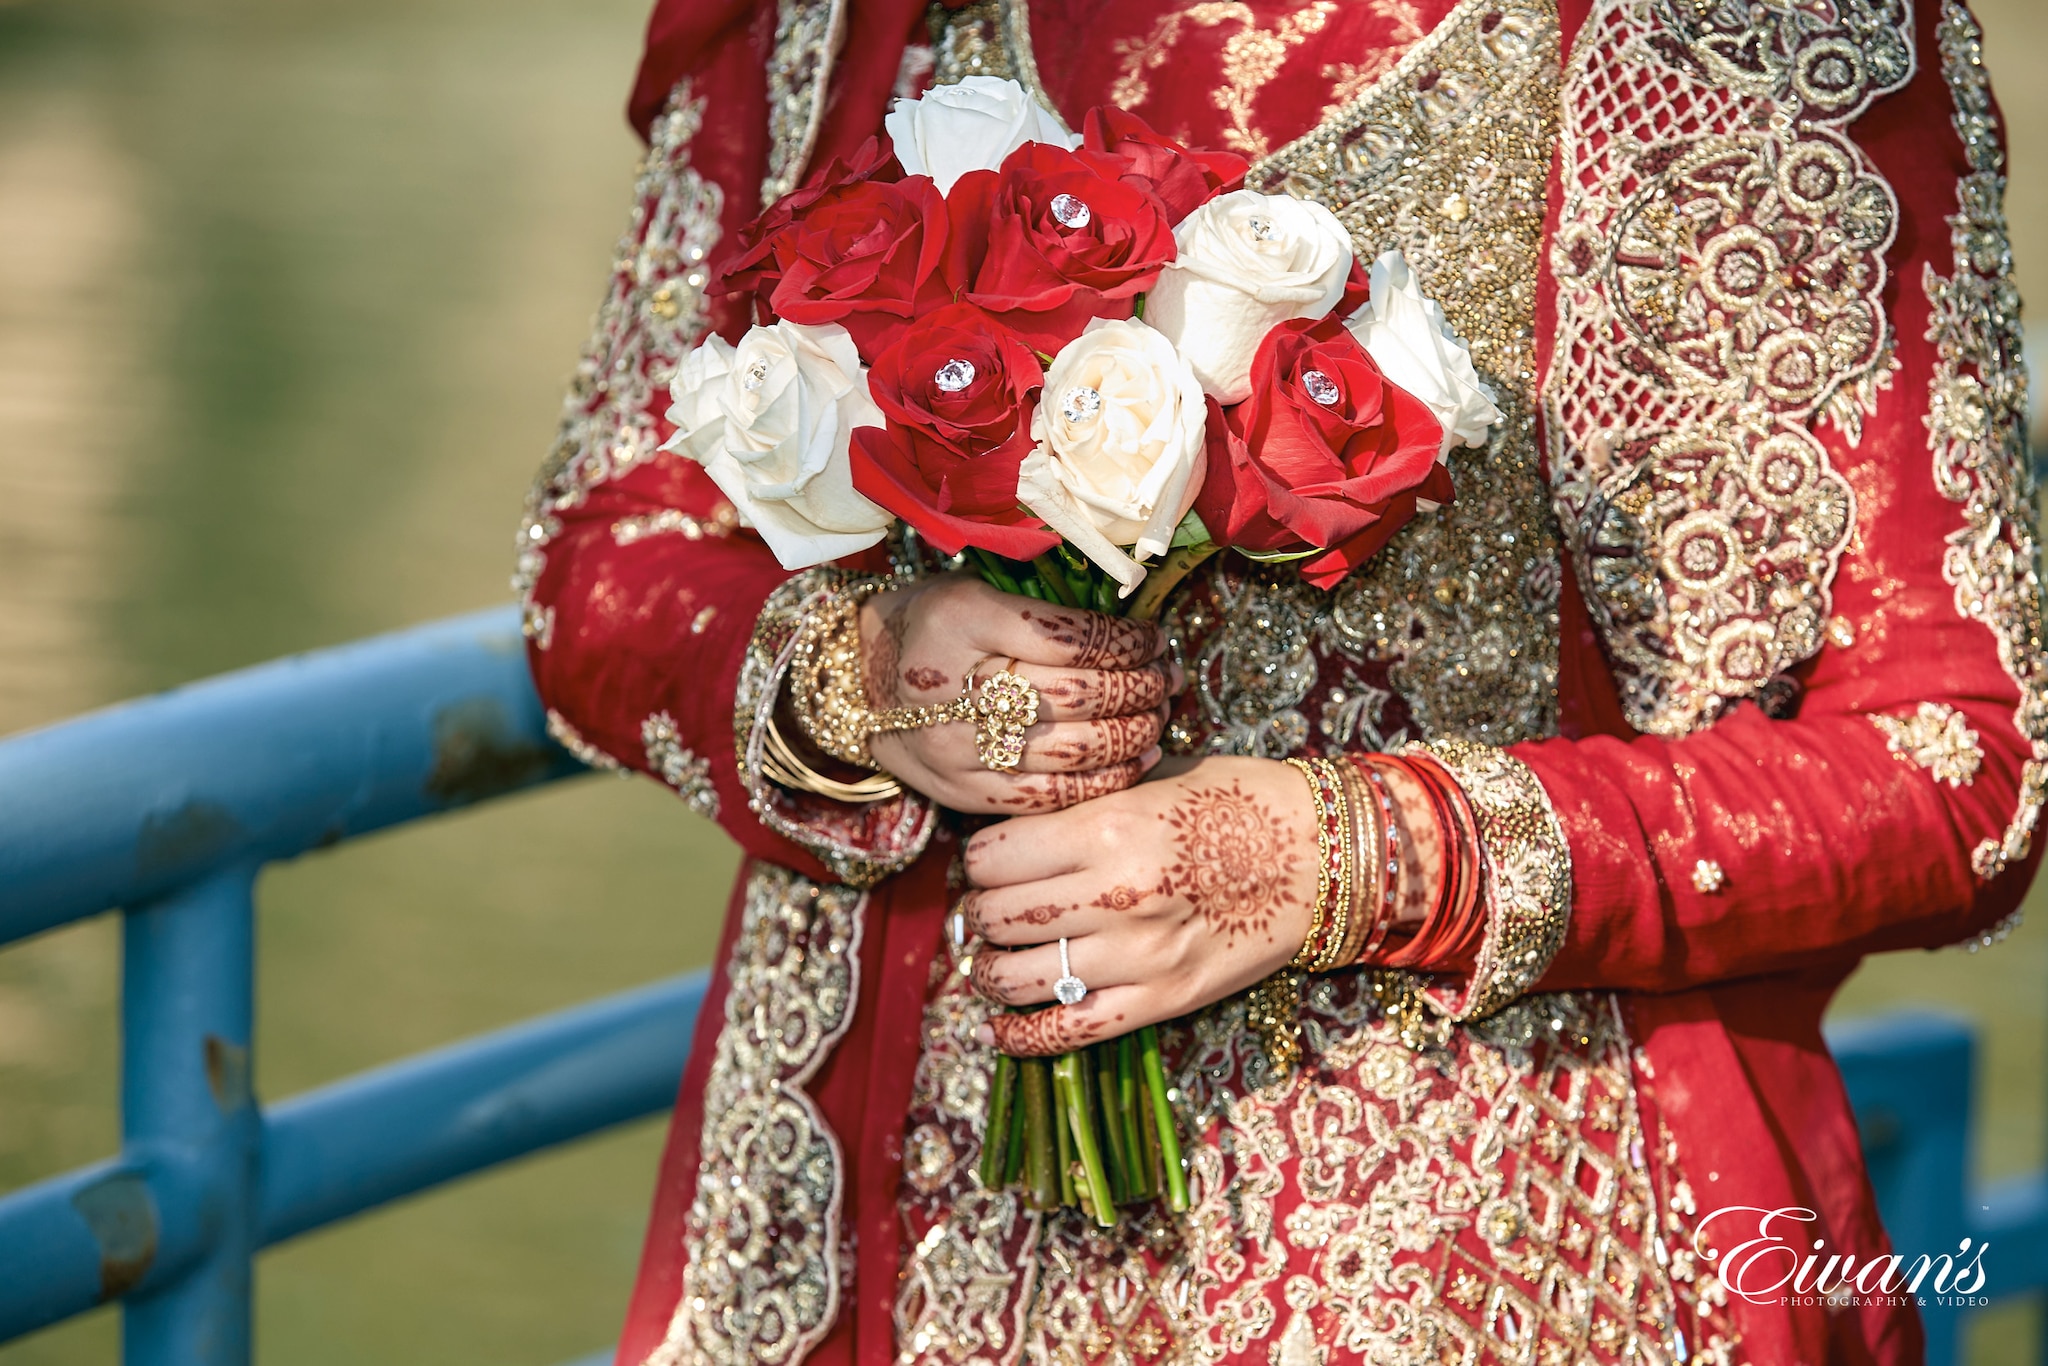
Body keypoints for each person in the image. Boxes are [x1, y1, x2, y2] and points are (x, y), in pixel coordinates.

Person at [516, 1, 2041, 1361]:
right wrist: (868, 669)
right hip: (867, 1227)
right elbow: (604, 559)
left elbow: (1955, 758)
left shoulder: (1732, 42)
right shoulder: (840, 29)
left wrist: (1351, 854)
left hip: (1488, 1243)